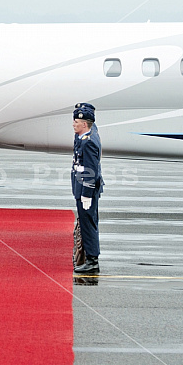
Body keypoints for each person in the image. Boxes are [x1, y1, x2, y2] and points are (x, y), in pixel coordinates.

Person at [71, 103, 104, 274]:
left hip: (86, 189)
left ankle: (92, 261)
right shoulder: (86, 135)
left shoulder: (89, 142)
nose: (73, 124)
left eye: (76, 121)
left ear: (85, 124)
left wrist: (86, 194)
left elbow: (91, 170)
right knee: (87, 223)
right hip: (82, 186)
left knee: (88, 225)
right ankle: (90, 257)